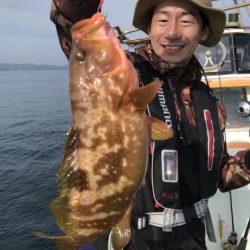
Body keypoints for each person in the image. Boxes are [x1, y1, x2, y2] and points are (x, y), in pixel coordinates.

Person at [50, 0, 250, 249]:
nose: (173, 31)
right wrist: (77, 11)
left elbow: (220, 174)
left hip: (193, 239)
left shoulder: (209, 101)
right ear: (150, 28)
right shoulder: (128, 73)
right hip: (132, 238)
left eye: (186, 21)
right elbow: (78, 42)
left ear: (204, 31)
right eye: (162, 20)